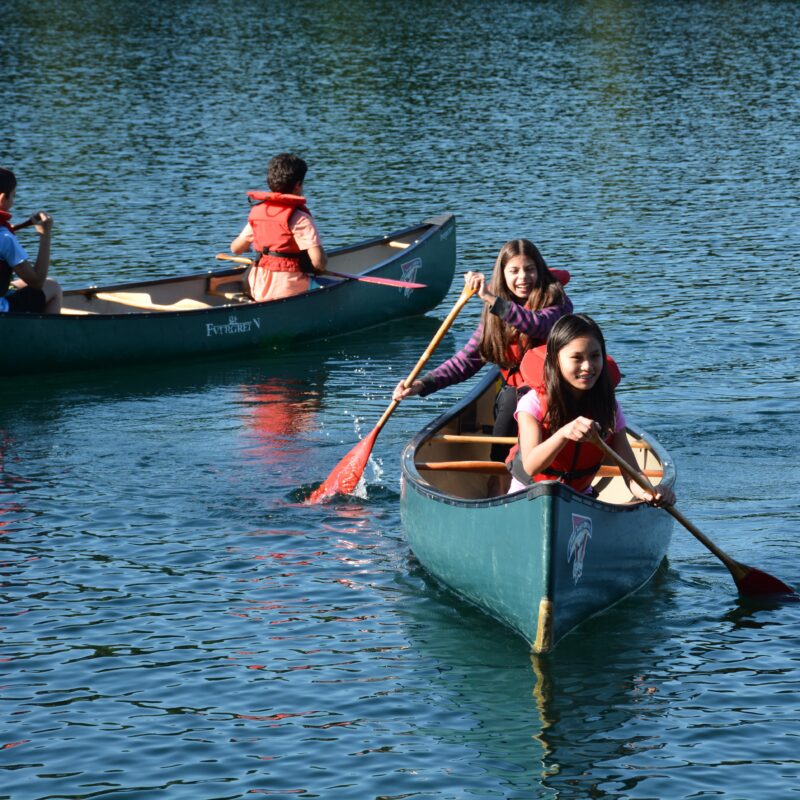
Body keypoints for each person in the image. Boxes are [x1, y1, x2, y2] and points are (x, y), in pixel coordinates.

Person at [393, 238, 573, 462]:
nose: (523, 278)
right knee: (501, 445)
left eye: (530, 269)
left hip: (556, 393)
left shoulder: (557, 301)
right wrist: (422, 384)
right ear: (503, 274)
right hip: (516, 394)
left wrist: (490, 298)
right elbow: (465, 362)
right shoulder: (493, 318)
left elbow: (537, 325)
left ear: (540, 270)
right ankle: (499, 482)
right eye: (514, 271)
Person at [507, 313, 676, 506]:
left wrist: (650, 492)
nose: (587, 366)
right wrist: (564, 433)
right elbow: (531, 466)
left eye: (595, 356)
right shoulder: (532, 403)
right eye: (576, 358)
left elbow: (632, 474)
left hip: (579, 496)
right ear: (555, 360)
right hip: (528, 494)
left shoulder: (609, 408)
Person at [230, 153, 327, 302]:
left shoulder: (259, 213)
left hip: (259, 288)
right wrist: (320, 267)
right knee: (328, 286)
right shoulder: (299, 218)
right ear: (298, 185)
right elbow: (319, 262)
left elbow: (236, 249)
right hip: (290, 289)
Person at [0, 167, 62, 314]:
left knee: (16, 284)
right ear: (3, 198)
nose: (13, 201)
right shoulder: (5, 239)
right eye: (13, 196)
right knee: (52, 287)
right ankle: (48, 336)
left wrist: (21, 225)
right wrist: (45, 234)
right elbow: (37, 282)